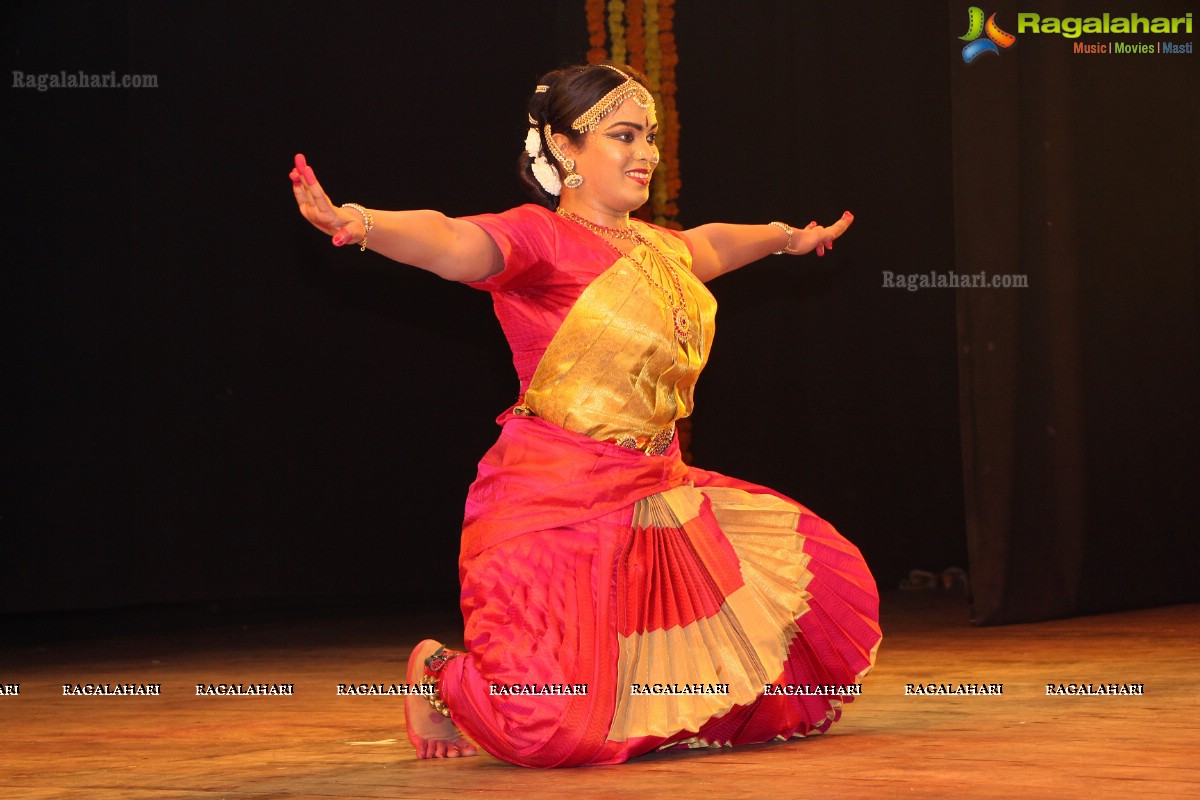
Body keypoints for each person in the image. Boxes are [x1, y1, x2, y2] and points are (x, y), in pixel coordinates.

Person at [289, 62, 880, 768]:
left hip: (653, 500)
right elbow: (451, 242)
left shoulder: (660, 249)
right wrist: (359, 223)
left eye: (652, 137)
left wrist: (786, 237)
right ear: (566, 149)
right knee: (549, 731)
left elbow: (713, 244)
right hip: (552, 508)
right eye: (624, 136)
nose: (647, 154)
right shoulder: (540, 237)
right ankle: (440, 672)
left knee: (762, 677)